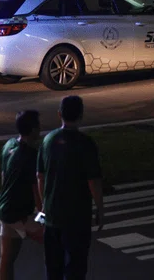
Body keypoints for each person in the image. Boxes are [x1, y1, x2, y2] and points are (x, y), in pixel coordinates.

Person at [37, 96, 104, 280]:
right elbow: (94, 180)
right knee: (76, 267)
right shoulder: (86, 144)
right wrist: (100, 208)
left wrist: (44, 205)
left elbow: (40, 176)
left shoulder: (48, 140)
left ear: (59, 114)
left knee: (53, 268)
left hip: (51, 216)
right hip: (77, 218)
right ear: (81, 115)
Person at [0, 109, 44, 280]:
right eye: (38, 126)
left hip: (4, 210)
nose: (40, 129)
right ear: (32, 130)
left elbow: (4, 177)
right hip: (19, 215)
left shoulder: (9, 145)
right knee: (56, 244)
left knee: (7, 260)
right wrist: (44, 216)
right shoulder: (31, 156)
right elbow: (37, 192)